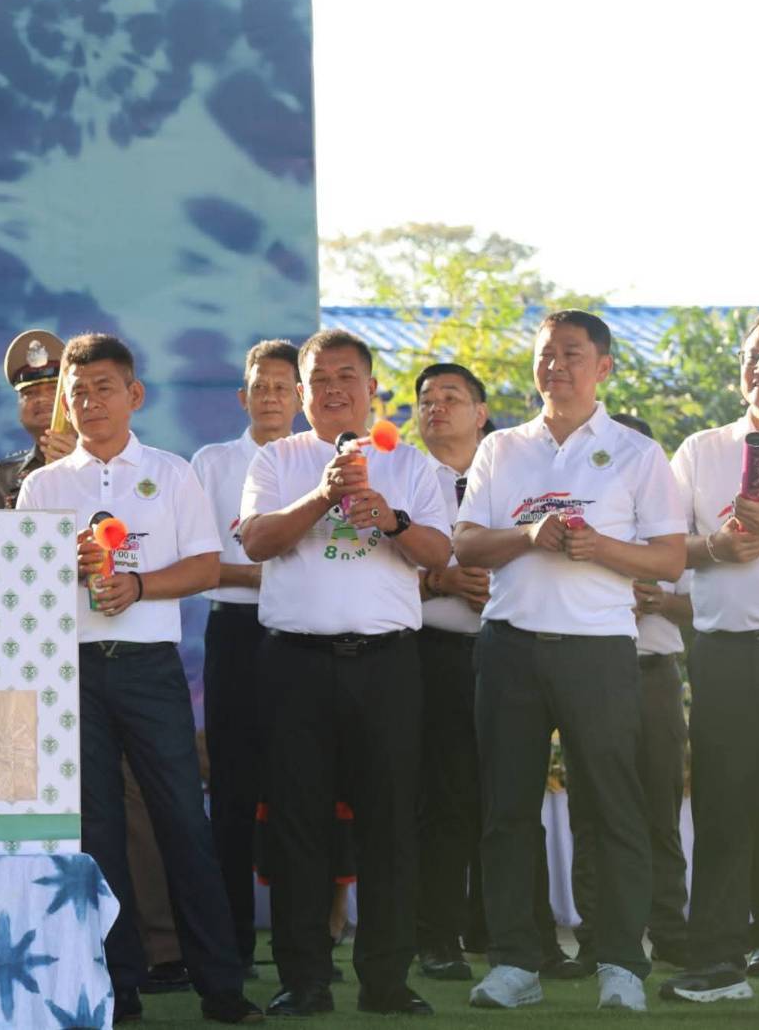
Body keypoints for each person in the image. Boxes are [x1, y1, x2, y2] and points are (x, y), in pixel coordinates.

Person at [17, 333, 263, 1025]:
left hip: (150, 669)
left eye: (104, 388)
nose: (90, 401)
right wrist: (56, 566)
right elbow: (18, 582)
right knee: (96, 831)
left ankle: (220, 986)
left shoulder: (171, 472)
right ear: (65, 405)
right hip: (73, 671)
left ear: (135, 395)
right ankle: (115, 985)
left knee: (183, 820)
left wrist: (138, 585)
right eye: (78, 392)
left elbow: (206, 567)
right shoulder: (42, 485)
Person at [454, 310, 685, 1013]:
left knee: (614, 810)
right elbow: (465, 543)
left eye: (571, 354)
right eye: (545, 354)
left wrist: (598, 548)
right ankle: (515, 964)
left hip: (598, 651)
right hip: (510, 647)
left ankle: (620, 964)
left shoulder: (636, 452)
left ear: (603, 367)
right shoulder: (501, 449)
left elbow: (669, 559)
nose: (555, 366)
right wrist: (529, 534)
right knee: (505, 811)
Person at [239, 329, 450, 1017]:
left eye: (346, 376)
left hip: (386, 667)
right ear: (302, 394)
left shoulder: (409, 463)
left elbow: (438, 554)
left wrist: (390, 519)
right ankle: (304, 981)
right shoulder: (276, 459)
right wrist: (322, 497)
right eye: (320, 379)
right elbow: (256, 540)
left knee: (390, 826)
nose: (333, 389)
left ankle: (386, 983)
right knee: (298, 825)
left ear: (370, 388)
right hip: (294, 667)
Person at [409, 364, 575, 983]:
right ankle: (438, 938)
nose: (436, 407)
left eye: (451, 397)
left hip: (512, 649)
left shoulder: (515, 468)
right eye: (426, 399)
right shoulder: (402, 476)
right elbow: (369, 568)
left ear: (481, 413)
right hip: (434, 652)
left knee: (513, 795)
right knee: (443, 797)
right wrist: (440, 580)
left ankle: (526, 937)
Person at [191, 338, 303, 980]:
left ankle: (300, 948)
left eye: (282, 388)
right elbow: (201, 563)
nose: (270, 398)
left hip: (298, 635)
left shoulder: (317, 462)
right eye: (260, 387)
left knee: (298, 792)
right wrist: (265, 575)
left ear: (300, 398)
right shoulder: (211, 463)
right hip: (234, 632)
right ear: (242, 396)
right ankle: (232, 946)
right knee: (233, 795)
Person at [660, 318, 759, 1004]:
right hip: (726, 652)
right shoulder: (701, 449)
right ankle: (719, 962)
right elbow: (663, 549)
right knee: (724, 809)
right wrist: (714, 548)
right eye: (753, 355)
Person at [567, 413, 690, 973]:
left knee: (659, 809)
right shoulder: (579, 526)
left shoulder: (669, 529)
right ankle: (595, 937)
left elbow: (700, 606)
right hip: (589, 677)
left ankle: (668, 930)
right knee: (591, 810)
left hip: (653, 673)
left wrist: (661, 602)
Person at [0, 329, 75, 509]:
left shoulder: (108, 462)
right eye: (29, 393)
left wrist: (81, 467)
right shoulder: (3, 476)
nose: (41, 399)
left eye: (52, 389)